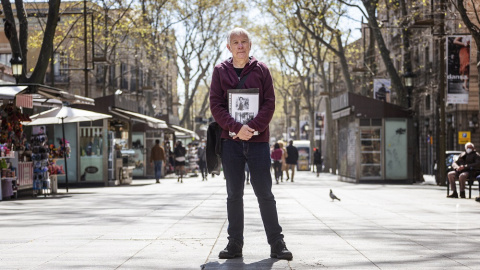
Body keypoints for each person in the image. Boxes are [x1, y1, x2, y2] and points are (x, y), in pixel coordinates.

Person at [210, 27, 292, 260]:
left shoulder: (262, 70)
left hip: (258, 143)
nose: (240, 46)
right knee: (234, 194)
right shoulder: (220, 71)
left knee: (265, 193)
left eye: (244, 41)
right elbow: (216, 106)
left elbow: (269, 103)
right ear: (228, 47)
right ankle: (234, 243)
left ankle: (277, 243)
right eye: (235, 42)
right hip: (230, 142)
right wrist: (237, 129)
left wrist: (252, 128)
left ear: (250, 44)